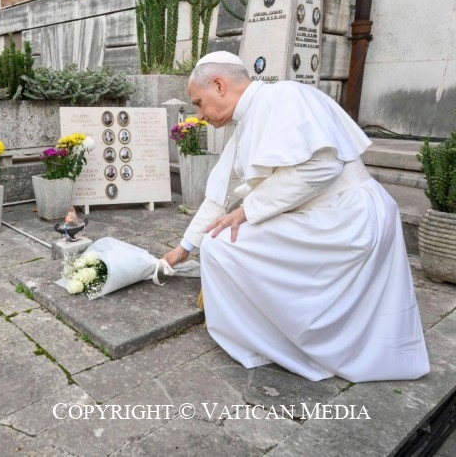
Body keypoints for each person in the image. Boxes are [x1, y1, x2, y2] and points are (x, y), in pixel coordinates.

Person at [162, 51, 429, 383]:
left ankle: (269, 340)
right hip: (326, 215)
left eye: (199, 103)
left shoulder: (285, 96)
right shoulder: (247, 120)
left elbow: (322, 166)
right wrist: (185, 247)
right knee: (220, 242)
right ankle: (274, 331)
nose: (199, 115)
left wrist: (247, 212)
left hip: (347, 217)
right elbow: (219, 197)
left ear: (219, 85)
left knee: (223, 246)